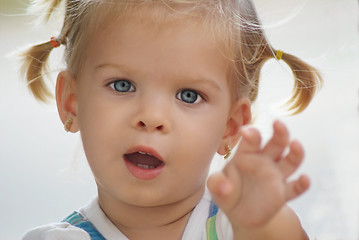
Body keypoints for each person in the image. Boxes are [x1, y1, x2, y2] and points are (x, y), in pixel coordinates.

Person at [20, 0, 321, 239]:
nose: (151, 118)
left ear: (230, 127)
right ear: (72, 102)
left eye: (188, 95)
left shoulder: (237, 228)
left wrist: (264, 222)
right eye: (122, 85)